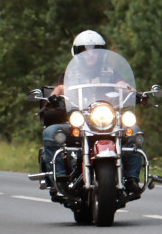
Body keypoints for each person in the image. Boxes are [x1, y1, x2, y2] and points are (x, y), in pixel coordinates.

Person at [41, 31, 144, 197]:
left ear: (101, 52)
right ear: (78, 52)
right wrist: (53, 96)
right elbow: (61, 87)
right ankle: (59, 179)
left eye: (95, 50)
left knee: (135, 131)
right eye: (85, 50)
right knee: (51, 132)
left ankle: (131, 178)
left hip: (106, 119)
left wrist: (135, 93)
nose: (90, 54)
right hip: (79, 120)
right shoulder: (71, 72)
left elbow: (122, 84)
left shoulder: (108, 71)